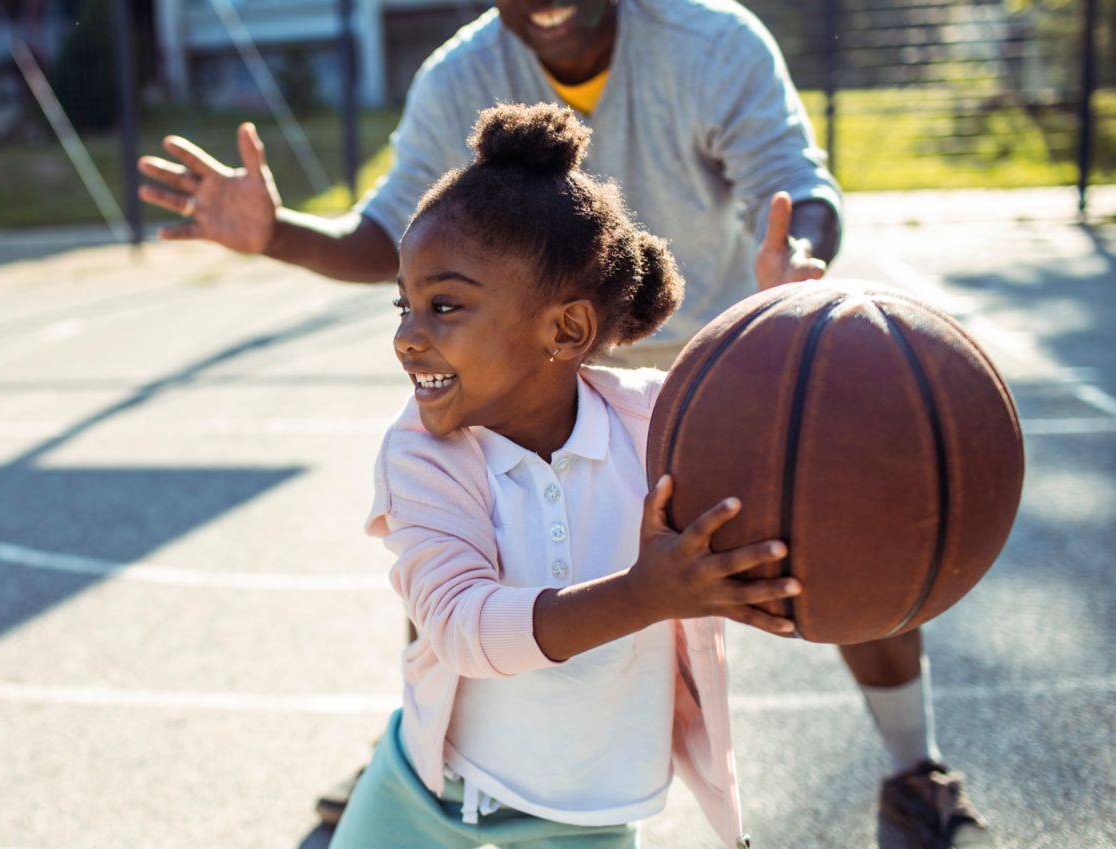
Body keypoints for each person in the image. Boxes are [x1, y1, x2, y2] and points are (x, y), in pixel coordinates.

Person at [138, 3, 993, 846]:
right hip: (505, 359)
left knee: (834, 517)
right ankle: (436, 745)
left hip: (710, 363)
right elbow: (387, 231)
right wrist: (277, 233)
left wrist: (795, 267)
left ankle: (912, 768)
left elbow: (793, 184)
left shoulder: (711, 40)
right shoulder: (460, 73)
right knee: (462, 555)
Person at [341, 100, 800, 849]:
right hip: (432, 790)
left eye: (443, 305)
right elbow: (459, 627)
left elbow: (773, 431)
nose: (406, 337)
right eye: (405, 305)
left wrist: (789, 318)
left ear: (567, 330)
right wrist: (643, 595)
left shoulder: (655, 426)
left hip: (587, 816)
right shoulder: (421, 455)